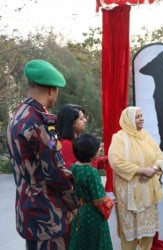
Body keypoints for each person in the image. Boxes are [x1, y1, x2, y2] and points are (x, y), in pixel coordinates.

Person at [6, 59, 79, 249]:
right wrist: (74, 202)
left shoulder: (17, 116)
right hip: (48, 214)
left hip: (27, 209)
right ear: (51, 90)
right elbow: (55, 172)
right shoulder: (40, 121)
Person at [108, 106, 163, 250]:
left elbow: (160, 156)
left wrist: (154, 169)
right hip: (128, 194)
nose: (141, 119)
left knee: (148, 232)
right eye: (137, 116)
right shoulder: (119, 138)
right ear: (128, 120)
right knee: (130, 233)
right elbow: (116, 162)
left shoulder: (146, 136)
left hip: (148, 192)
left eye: (141, 115)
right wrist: (141, 171)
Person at [68, 133, 114, 250]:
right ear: (91, 153)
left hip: (79, 212)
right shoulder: (91, 172)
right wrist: (110, 201)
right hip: (93, 214)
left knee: (81, 241)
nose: (100, 150)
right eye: (98, 148)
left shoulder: (74, 168)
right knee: (97, 243)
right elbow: (99, 200)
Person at [56, 104, 107, 169]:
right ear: (72, 122)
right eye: (81, 119)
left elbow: (90, 161)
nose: (85, 120)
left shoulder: (76, 142)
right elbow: (72, 170)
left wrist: (110, 159)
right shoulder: (65, 145)